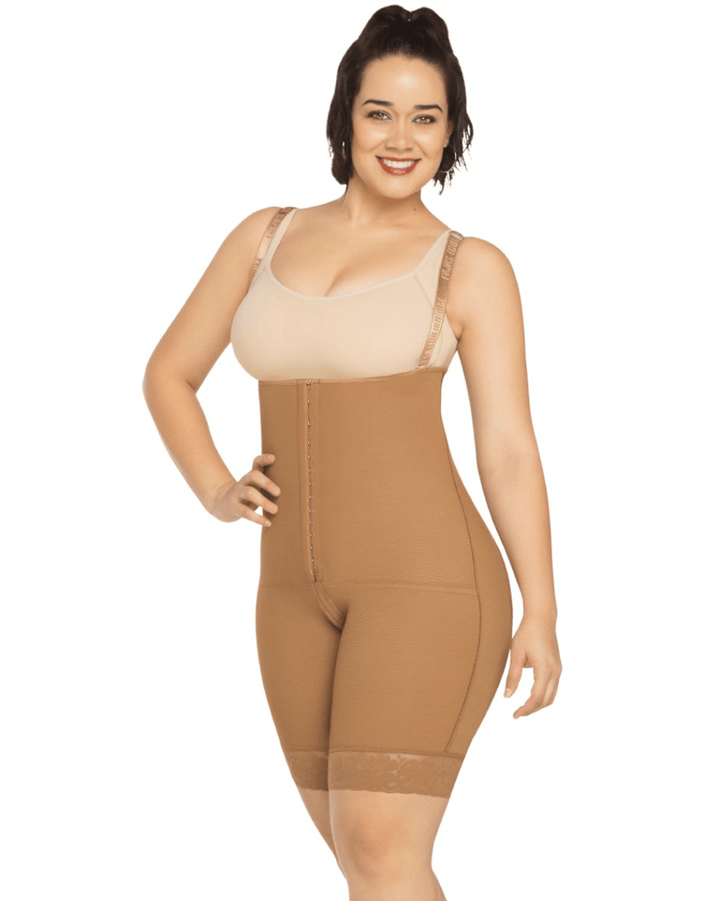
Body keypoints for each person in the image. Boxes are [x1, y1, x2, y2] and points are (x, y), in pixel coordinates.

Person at [142, 5, 562, 899]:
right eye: (380, 112)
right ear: (346, 117)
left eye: (426, 117)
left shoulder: (470, 266)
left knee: (379, 852)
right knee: (366, 862)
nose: (401, 139)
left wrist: (542, 606)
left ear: (451, 132)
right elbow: (169, 373)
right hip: (289, 592)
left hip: (431, 587)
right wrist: (216, 488)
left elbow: (508, 449)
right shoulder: (264, 236)